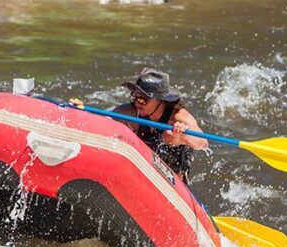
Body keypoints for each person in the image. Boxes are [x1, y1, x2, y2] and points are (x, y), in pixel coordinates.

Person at [76, 68, 208, 184]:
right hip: (144, 172)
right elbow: (101, 123)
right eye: (135, 97)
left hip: (174, 180)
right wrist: (80, 112)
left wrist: (183, 136)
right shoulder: (131, 113)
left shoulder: (178, 117)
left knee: (169, 137)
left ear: (160, 100)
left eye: (142, 100)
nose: (137, 103)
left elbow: (203, 142)